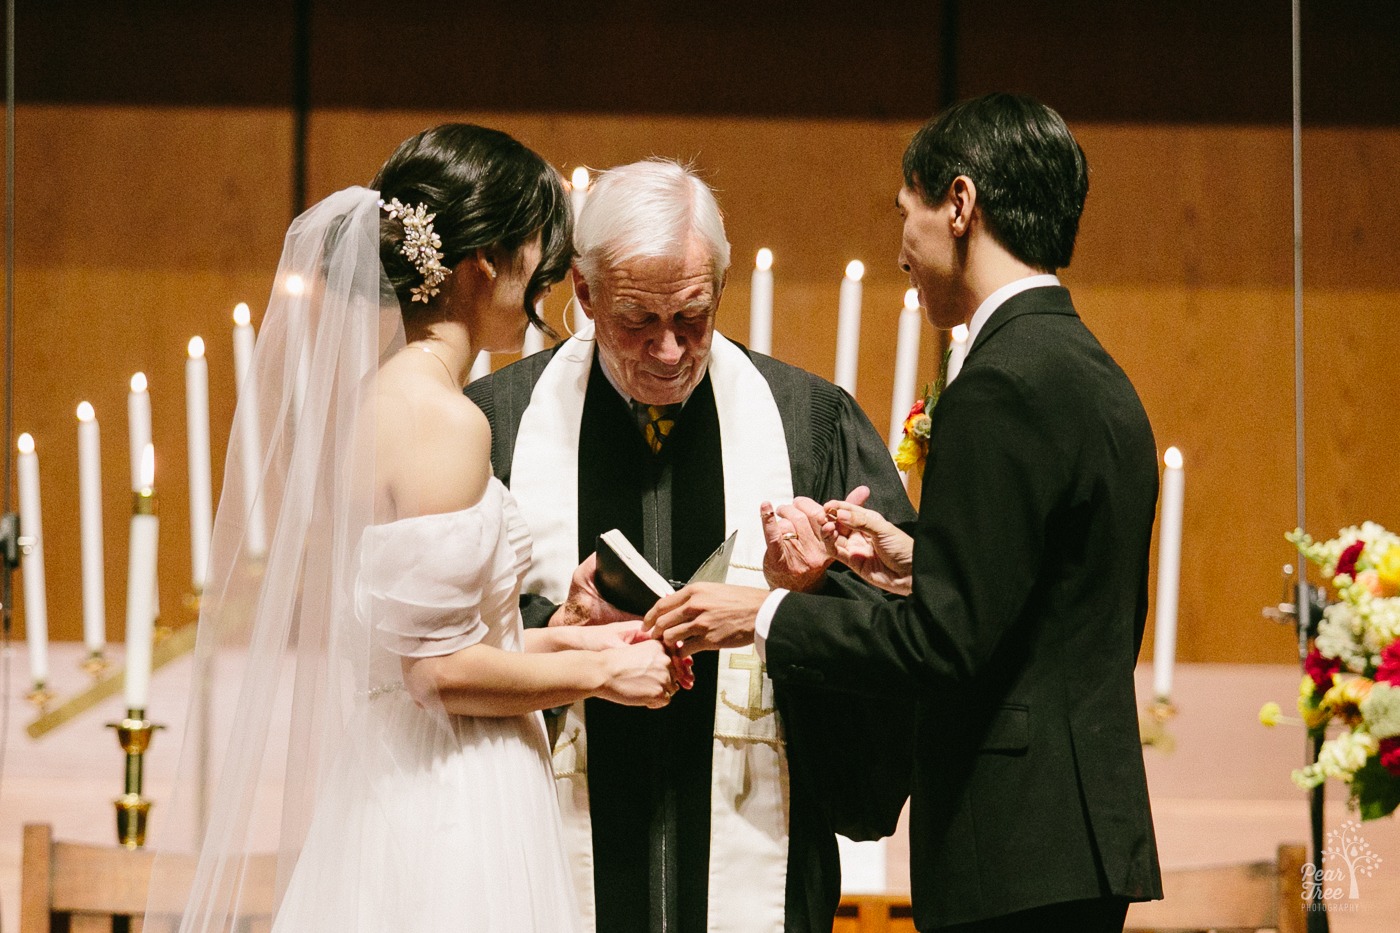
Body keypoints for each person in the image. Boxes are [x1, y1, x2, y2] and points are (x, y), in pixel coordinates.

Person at [646, 94, 1165, 932]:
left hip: (1015, 842)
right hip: (1069, 832)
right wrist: (916, 557)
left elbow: (943, 645)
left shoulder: (1000, 382)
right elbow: (1046, 590)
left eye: (907, 212)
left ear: (959, 204)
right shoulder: (1082, 363)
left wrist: (765, 614)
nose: (901, 251)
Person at [147, 125, 684, 933]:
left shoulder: (379, 398)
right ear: (482, 264)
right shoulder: (444, 420)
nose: (544, 279)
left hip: (390, 776)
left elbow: (431, 647)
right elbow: (438, 673)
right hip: (453, 797)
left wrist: (594, 642)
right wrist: (600, 680)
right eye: (536, 250)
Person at [465, 158, 916, 933]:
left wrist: (806, 596)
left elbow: (902, 637)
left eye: (693, 318)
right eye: (638, 320)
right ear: (584, 291)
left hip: (761, 861)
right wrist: (558, 633)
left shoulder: (808, 424)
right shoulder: (495, 424)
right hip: (546, 855)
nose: (669, 351)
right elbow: (443, 648)